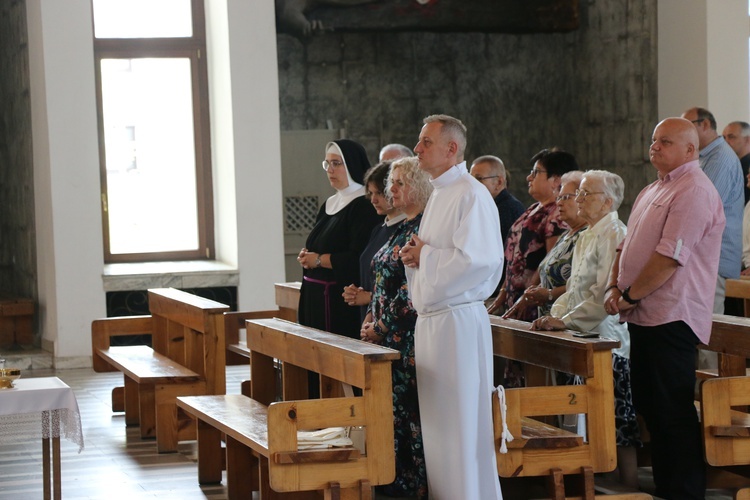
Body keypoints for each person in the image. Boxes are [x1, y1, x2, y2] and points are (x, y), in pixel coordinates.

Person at [604, 117, 725, 499]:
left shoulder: (694, 191)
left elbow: (670, 258)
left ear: (690, 151)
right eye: (654, 140)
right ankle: (666, 489)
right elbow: (625, 246)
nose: (654, 146)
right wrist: (614, 285)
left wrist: (631, 295)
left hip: (672, 316)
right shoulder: (654, 188)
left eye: (665, 142)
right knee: (652, 409)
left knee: (672, 411)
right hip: (644, 315)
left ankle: (684, 493)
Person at [399, 114, 503, 499]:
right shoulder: (441, 193)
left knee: (461, 426)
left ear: (451, 148)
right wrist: (417, 255)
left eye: (426, 141)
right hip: (433, 323)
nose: (418, 148)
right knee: (440, 429)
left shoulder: (470, 194)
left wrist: (425, 255)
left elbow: (479, 261)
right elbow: (439, 253)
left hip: (457, 323)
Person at [531, 170, 639, 490]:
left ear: (607, 201)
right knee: (588, 414)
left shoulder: (614, 233)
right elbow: (574, 291)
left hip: (608, 338)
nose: (577, 199)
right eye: (577, 193)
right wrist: (553, 316)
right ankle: (597, 480)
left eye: (584, 194)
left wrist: (565, 321)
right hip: (581, 335)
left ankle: (629, 485)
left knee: (616, 414)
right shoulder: (588, 233)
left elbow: (603, 294)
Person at [360, 156, 432, 499]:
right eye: (392, 183)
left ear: (419, 185)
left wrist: (383, 323)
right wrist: (370, 316)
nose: (392, 189)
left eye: (400, 183)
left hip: (406, 336)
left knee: (407, 413)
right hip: (386, 334)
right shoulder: (402, 226)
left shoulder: (424, 227)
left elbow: (411, 288)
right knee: (390, 412)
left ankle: (411, 484)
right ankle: (392, 479)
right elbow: (383, 280)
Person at [297, 139, 381, 342]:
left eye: (336, 163)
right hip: (313, 296)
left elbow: (358, 258)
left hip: (339, 302)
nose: (330, 170)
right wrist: (307, 256)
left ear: (352, 163)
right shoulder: (329, 203)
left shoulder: (364, 205)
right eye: (327, 164)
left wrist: (318, 260)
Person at [487, 148, 580, 321]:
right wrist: (503, 291)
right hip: (515, 298)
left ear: (556, 180)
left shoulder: (557, 215)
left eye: (536, 173)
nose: (529, 177)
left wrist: (529, 294)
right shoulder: (533, 208)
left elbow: (551, 262)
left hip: (534, 303)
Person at [681, 107, 742, 316]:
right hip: (702, 257)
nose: (683, 134)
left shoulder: (720, 158)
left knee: (707, 329)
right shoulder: (703, 156)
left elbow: (702, 208)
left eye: (687, 127)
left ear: (704, 125)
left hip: (713, 258)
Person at [504, 170, 586, 320]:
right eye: (559, 197)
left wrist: (549, 294)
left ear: (583, 198)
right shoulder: (566, 235)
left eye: (566, 197)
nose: (559, 202)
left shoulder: (589, 235)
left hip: (576, 321)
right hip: (549, 318)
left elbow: (587, 285)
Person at [342, 161, 406, 321]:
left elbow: (407, 289)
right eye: (370, 193)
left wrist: (369, 297)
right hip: (370, 318)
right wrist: (356, 292)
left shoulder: (407, 230)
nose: (373, 200)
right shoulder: (378, 229)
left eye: (379, 193)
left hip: (392, 323)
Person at [469, 155, 525, 248]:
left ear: (499, 182)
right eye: (471, 179)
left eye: (479, 179)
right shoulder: (487, 206)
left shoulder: (509, 209)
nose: (472, 184)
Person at [722, 121, 750, 204]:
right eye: (724, 138)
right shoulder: (731, 164)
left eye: (731, 137)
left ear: (747, 139)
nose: (725, 142)